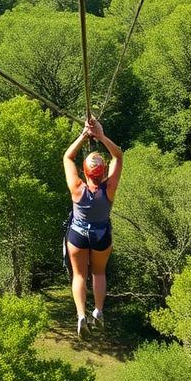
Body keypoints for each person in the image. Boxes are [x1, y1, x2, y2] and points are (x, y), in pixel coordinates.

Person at [63, 118, 123, 339]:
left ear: (85, 172)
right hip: (101, 234)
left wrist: (83, 135)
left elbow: (68, 157)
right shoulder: (109, 188)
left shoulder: (77, 187)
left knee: (79, 275)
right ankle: (98, 311)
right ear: (103, 171)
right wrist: (100, 135)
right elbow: (118, 156)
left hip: (77, 233)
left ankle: (81, 315)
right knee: (98, 272)